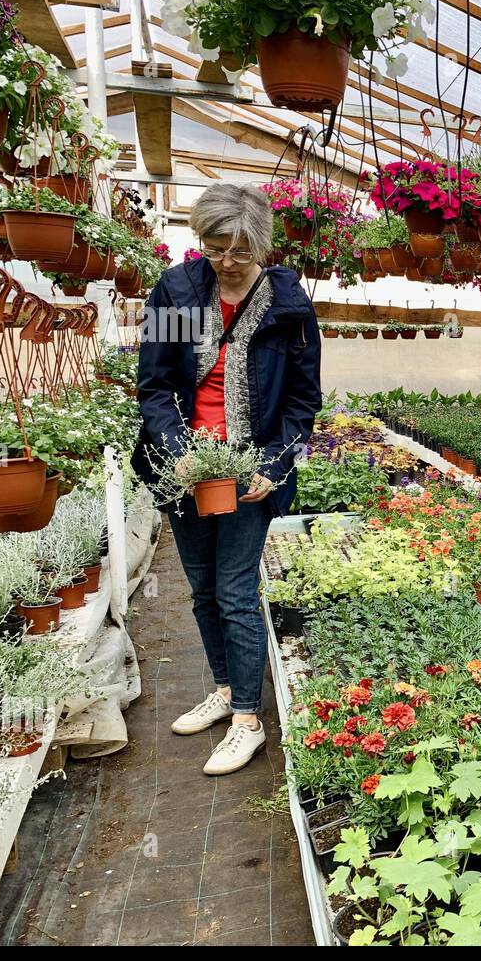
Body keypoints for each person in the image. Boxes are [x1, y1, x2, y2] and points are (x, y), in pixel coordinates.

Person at [133, 182, 321, 775]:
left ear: (261, 246)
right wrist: (177, 452)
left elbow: (302, 399)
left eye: (240, 252)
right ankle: (223, 686)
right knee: (204, 587)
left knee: (237, 588)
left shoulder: (290, 306)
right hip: (184, 468)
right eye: (215, 250)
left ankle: (247, 718)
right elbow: (155, 385)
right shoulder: (176, 292)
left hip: (250, 472)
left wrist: (273, 465)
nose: (228, 264)